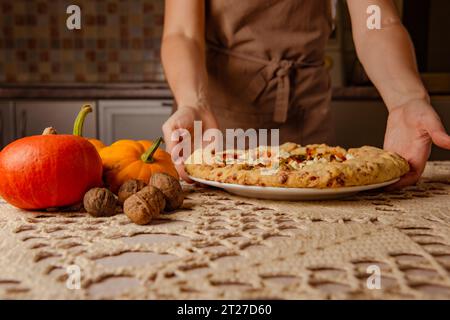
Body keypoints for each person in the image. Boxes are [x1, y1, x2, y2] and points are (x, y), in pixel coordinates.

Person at [161, 0, 450, 188]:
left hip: (305, 114)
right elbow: (182, 33)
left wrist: (406, 99)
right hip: (217, 123)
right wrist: (193, 102)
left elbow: (376, 22)